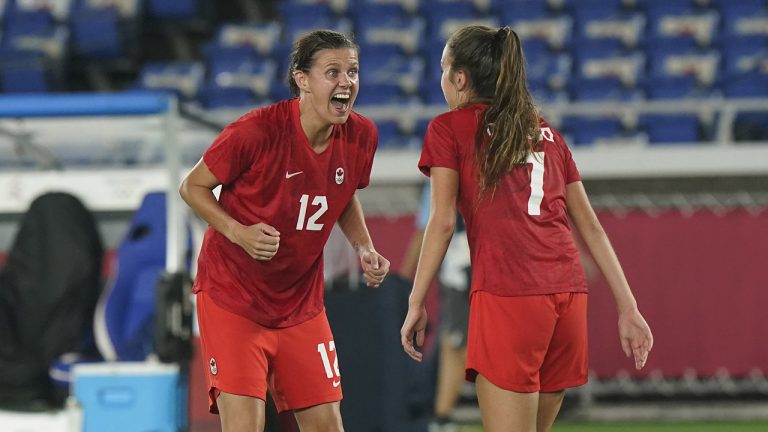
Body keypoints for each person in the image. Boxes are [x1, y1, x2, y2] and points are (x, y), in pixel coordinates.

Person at [400, 25, 653, 432]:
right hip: (568, 297)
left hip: (510, 294)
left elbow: (443, 221)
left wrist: (415, 302)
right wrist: (628, 306)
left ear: (461, 79)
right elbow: (590, 226)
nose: (442, 77)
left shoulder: (449, 128)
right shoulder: (546, 130)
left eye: (444, 68)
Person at [180, 29, 390, 432]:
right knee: (245, 426)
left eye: (353, 71)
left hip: (299, 305)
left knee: (328, 425)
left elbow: (341, 192)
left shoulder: (363, 135)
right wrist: (238, 231)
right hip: (234, 298)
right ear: (302, 80)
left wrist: (364, 245)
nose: (346, 82)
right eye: (333, 72)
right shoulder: (256, 131)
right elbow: (191, 186)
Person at [398, 182, 470, 432]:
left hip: (475, 261)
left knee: (459, 342)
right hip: (464, 263)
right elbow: (433, 226)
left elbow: (434, 226)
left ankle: (442, 416)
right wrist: (408, 282)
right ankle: (441, 416)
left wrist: (408, 284)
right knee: (455, 341)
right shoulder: (448, 172)